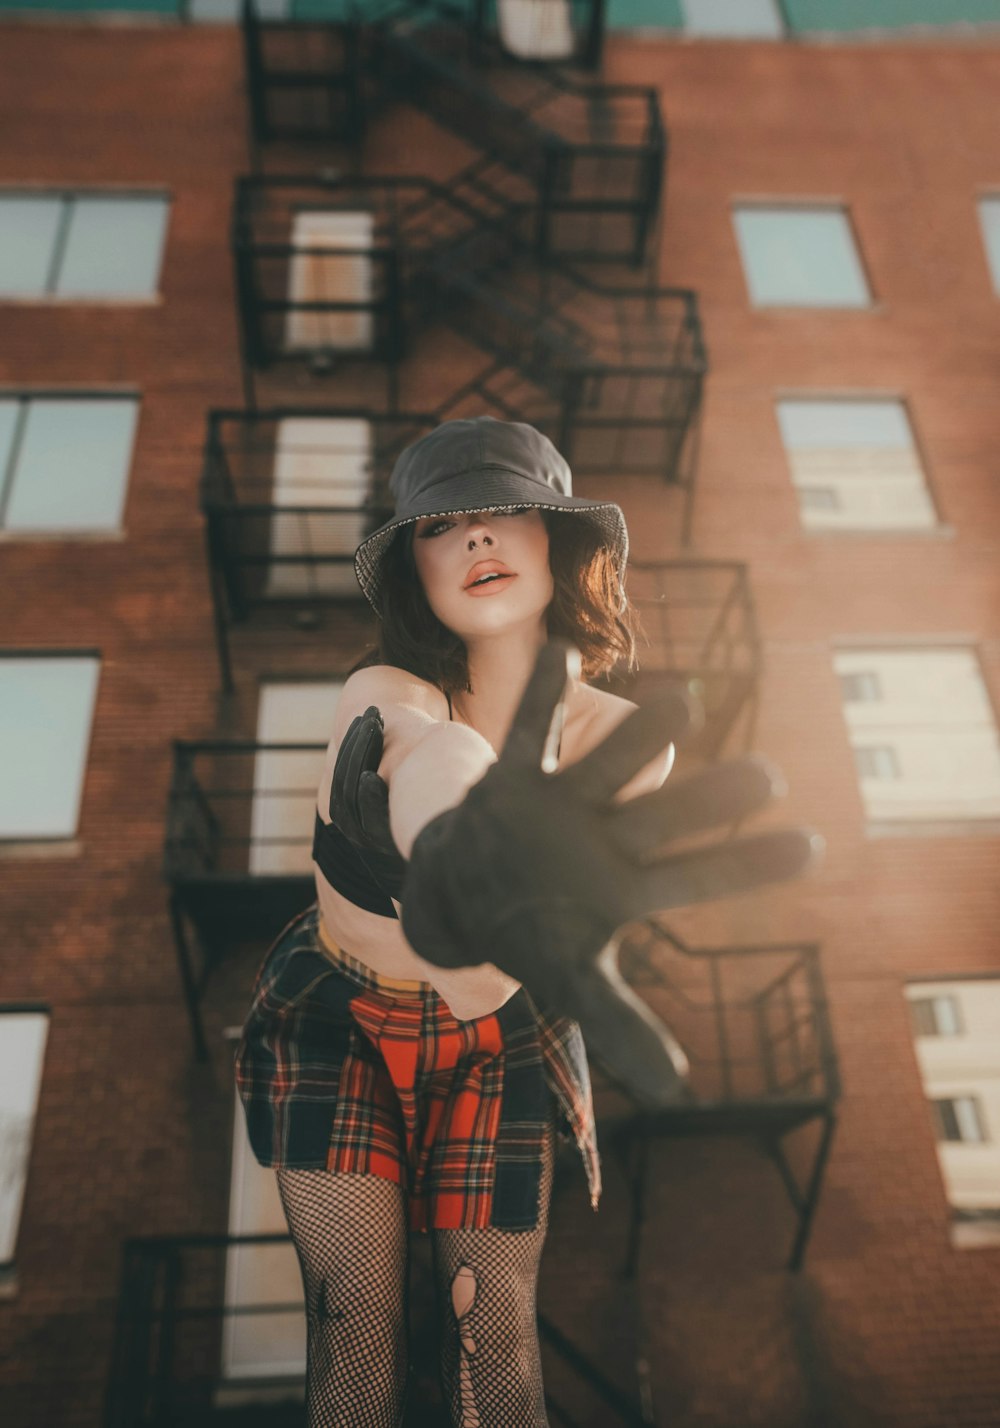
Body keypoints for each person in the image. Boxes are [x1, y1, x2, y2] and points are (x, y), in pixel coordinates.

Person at [235, 417, 817, 1428]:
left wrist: (510, 887)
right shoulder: (385, 690)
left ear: (562, 543)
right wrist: (461, 837)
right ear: (413, 570)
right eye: (440, 527)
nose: (472, 540)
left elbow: (500, 957)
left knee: (491, 1322)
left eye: (502, 515)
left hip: (498, 1038)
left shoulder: (620, 742)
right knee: (353, 1315)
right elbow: (423, 756)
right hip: (337, 1018)